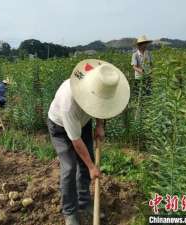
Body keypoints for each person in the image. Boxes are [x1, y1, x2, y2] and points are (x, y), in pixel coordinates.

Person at [47, 59, 130, 225]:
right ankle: (70, 211)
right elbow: (76, 142)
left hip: (82, 122)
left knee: (87, 159)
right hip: (60, 126)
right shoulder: (68, 103)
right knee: (70, 167)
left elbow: (103, 104)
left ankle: (84, 201)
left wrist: (99, 125)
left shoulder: (97, 83)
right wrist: (93, 167)